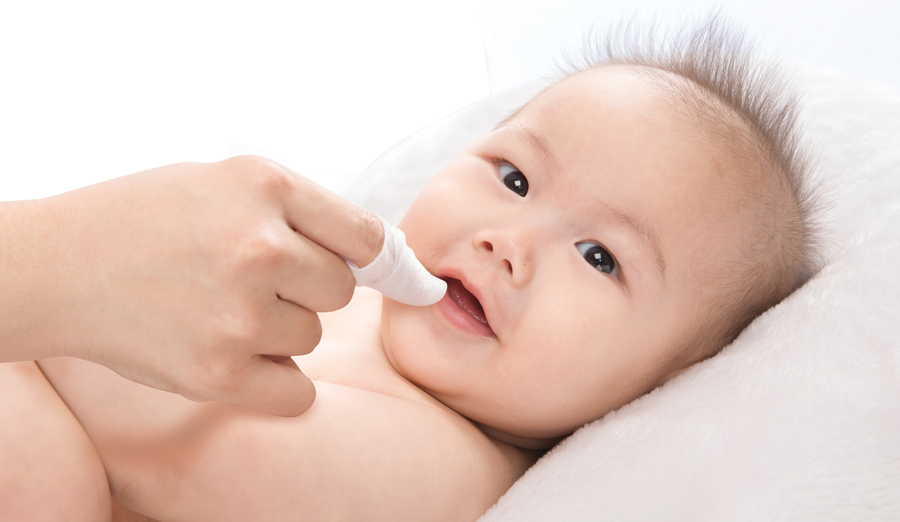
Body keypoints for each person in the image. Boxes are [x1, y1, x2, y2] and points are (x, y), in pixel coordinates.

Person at [0, 19, 821, 522]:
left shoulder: (452, 466)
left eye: (599, 257)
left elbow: (182, 455)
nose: (507, 240)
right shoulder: (349, 303)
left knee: (37, 457)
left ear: (662, 385)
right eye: (514, 178)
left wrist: (78, 287)